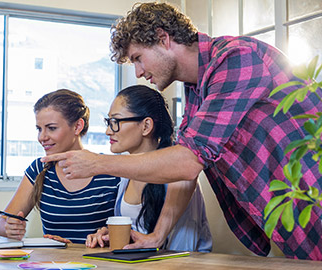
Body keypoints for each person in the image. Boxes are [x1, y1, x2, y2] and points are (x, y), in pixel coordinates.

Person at [41, 2, 322, 260]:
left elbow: (188, 162)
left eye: (138, 58)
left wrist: (98, 163)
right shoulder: (196, 91)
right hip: (294, 208)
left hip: (313, 195)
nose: (138, 72)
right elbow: (187, 171)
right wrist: (156, 237)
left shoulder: (237, 59)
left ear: (163, 39)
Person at [85, 85, 212, 252]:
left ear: (146, 126)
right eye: (108, 122)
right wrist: (112, 235)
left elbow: (184, 248)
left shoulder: (179, 174)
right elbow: (139, 236)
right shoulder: (126, 177)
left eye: (116, 122)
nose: (108, 131)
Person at [0, 89, 120, 244]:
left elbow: (130, 231)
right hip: (53, 263)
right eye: (39, 129)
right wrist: (8, 228)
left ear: (77, 126)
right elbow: (0, 224)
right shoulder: (39, 169)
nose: (42, 137)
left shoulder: (110, 169)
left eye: (51, 128)